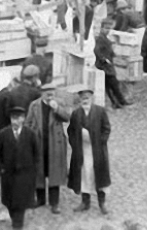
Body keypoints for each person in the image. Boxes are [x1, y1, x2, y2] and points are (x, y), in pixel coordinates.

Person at [24, 86, 71, 214]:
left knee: (54, 172)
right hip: (39, 142)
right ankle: (40, 199)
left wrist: (57, 108)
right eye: (47, 94)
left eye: (52, 94)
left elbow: (67, 117)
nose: (50, 96)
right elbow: (27, 123)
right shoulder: (34, 105)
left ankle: (54, 203)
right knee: (39, 171)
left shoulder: (59, 103)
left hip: (55, 143)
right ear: (42, 94)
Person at [67, 87, 112, 215]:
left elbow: (106, 128)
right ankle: (85, 202)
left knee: (98, 175)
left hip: (97, 151)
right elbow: (70, 131)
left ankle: (102, 203)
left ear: (91, 98)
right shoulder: (76, 114)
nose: (85, 100)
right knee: (84, 175)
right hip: (82, 151)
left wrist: (100, 141)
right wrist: (75, 144)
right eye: (82, 98)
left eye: (87, 98)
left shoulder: (100, 111)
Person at [0, 106, 39, 230]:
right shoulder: (3, 134)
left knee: (21, 201)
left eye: (18, 118)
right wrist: (1, 167)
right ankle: (13, 216)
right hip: (8, 174)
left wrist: (33, 170)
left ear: (23, 119)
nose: (15, 121)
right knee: (9, 200)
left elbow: (36, 153)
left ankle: (17, 224)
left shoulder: (30, 134)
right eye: (13, 118)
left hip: (25, 173)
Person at [94, 19, 130, 109]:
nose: (108, 30)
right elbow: (97, 51)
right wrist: (104, 60)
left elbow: (108, 50)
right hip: (105, 66)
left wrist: (114, 54)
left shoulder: (105, 38)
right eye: (106, 28)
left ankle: (116, 102)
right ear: (101, 28)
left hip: (107, 65)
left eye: (109, 29)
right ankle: (120, 101)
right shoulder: (100, 39)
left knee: (109, 85)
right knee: (114, 84)